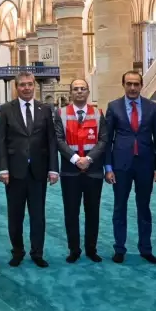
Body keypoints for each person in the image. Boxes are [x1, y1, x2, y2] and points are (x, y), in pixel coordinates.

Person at [103, 70, 156, 264]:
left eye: (136, 84)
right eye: (129, 84)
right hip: (121, 165)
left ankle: (145, 249)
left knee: (144, 207)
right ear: (123, 85)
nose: (132, 87)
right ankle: (119, 248)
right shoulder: (113, 107)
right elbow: (107, 140)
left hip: (145, 165)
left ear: (141, 85)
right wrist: (108, 167)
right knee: (119, 207)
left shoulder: (152, 108)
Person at [0, 72, 58, 267]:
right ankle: (17, 251)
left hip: (38, 171)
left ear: (34, 86)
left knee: (38, 215)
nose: (26, 88)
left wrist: (53, 169)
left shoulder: (45, 109)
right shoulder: (6, 109)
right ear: (17, 87)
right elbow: (1, 141)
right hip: (14, 172)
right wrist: (3, 168)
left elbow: (51, 141)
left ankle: (37, 252)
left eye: (29, 84)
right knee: (15, 215)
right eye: (22, 85)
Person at [53, 78, 108, 263]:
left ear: (88, 92)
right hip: (70, 172)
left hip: (93, 172)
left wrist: (89, 159)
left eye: (82, 88)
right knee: (71, 212)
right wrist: (76, 159)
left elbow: (103, 140)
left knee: (93, 212)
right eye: (75, 89)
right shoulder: (60, 114)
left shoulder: (98, 114)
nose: (79, 91)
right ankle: (74, 250)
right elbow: (58, 140)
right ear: (70, 92)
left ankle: (91, 249)